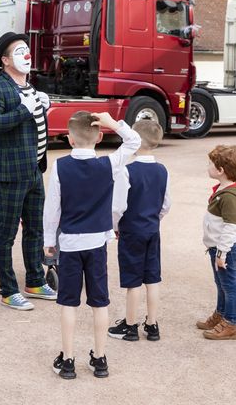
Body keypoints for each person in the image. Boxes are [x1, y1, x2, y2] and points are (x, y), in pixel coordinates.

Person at [43, 111, 141, 380]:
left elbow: (52, 208)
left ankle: (68, 360)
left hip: (71, 243)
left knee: (69, 303)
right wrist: (113, 123)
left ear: (69, 139)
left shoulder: (61, 166)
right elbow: (134, 141)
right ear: (99, 137)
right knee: (99, 303)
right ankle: (99, 359)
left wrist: (49, 240)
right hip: (98, 243)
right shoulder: (108, 164)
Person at [0, 32, 56, 310]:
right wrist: (24, 110)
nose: (26, 55)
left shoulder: (31, 88)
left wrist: (42, 111)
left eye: (27, 50)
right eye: (19, 51)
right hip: (10, 174)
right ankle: (8, 290)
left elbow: (30, 128)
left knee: (35, 230)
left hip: (34, 170)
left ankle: (35, 281)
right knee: (7, 233)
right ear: (5, 60)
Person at [108, 120, 170, 342]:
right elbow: (165, 204)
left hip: (132, 230)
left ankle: (131, 325)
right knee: (152, 277)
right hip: (152, 229)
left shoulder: (127, 171)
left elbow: (118, 207)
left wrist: (115, 227)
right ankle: (152, 325)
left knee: (132, 279)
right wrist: (154, 219)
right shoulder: (162, 170)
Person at [196, 145, 236, 340]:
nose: (208, 166)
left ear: (221, 171)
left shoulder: (229, 197)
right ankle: (220, 315)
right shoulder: (225, 188)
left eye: (211, 164)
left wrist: (221, 253)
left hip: (225, 250)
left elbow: (231, 227)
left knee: (229, 286)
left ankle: (231, 324)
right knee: (221, 284)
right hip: (217, 248)